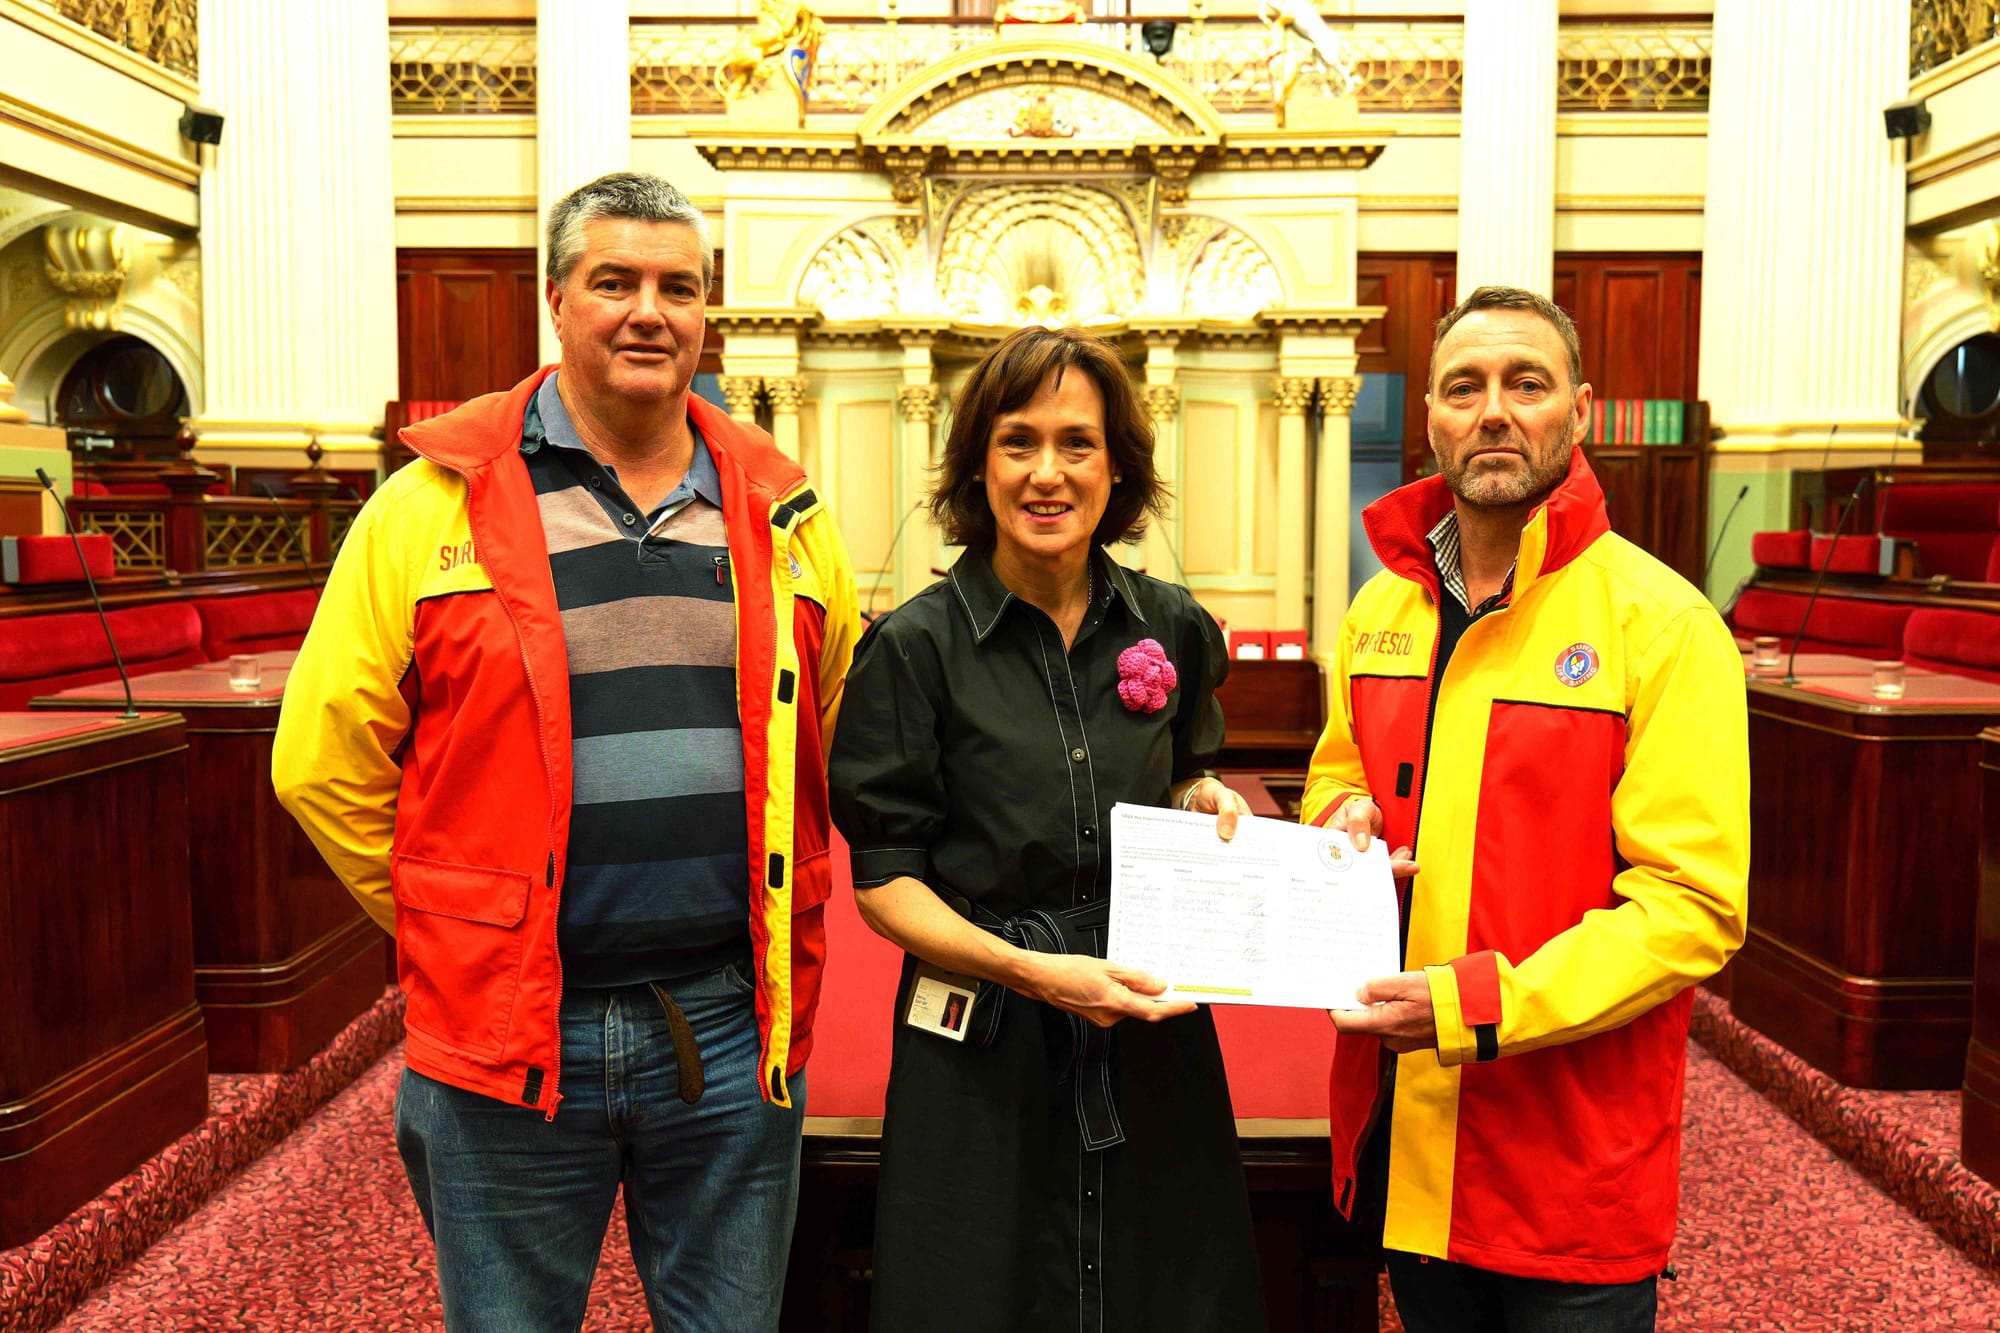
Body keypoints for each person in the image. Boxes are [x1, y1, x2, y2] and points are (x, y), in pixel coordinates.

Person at [272, 171, 860, 1332]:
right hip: (505, 1034)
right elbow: (321, 760)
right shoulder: (426, 503)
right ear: (556, 301)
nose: (649, 310)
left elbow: (825, 725)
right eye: (615, 282)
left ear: (705, 313)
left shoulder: (783, 509)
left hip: (730, 1023)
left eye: (677, 287)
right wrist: (465, 921)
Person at [1303, 285, 1748, 1332]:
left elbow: (1689, 907)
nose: (1492, 411)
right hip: (1399, 1131)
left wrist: (1469, 1006)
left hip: (1565, 1163)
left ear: (1579, 411)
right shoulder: (1379, 611)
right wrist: (1344, 820)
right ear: (1428, 420)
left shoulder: (1662, 624)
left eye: (1525, 383)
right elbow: (1334, 776)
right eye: (1463, 387)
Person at [828, 325, 1265, 1332]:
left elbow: (1186, 770)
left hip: (1147, 1010)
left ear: (1118, 466)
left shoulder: (1175, 627)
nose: (1046, 472)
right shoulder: (911, 649)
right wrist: (1030, 973)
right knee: (975, 1288)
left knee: (1167, 1286)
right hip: (977, 1022)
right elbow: (884, 883)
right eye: (1017, 440)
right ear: (977, 462)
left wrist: (1202, 798)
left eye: (1077, 442)